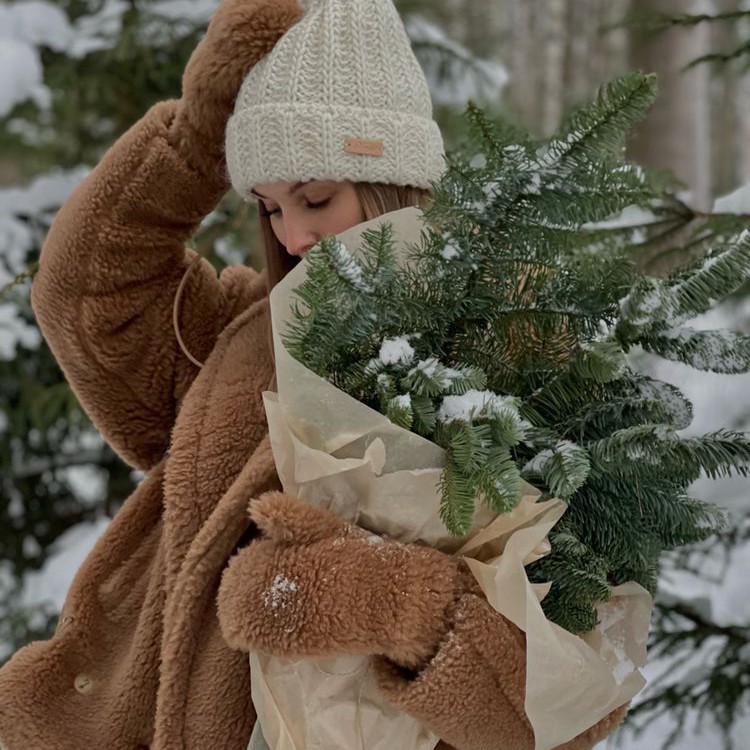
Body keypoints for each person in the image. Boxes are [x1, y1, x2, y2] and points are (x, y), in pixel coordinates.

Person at [0, 1, 628, 749]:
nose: (292, 237)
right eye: (268, 207)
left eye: (316, 197)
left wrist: (399, 603)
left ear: (391, 180)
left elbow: (576, 708)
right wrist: (203, 133)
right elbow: (85, 293)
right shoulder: (242, 334)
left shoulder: (517, 355)